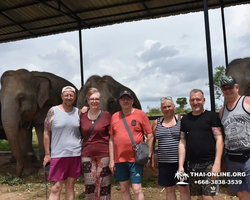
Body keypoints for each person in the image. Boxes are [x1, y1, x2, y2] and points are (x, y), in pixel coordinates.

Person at [178, 89, 224, 200]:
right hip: (192, 164)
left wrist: (217, 163)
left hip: (209, 163)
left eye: (198, 99)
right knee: (199, 196)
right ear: (189, 102)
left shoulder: (212, 117)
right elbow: (182, 142)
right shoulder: (185, 120)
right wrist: (180, 166)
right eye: (192, 100)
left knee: (207, 196)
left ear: (204, 100)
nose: (195, 102)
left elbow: (219, 139)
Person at [109, 90, 154, 200]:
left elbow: (150, 135)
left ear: (132, 101)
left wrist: (148, 155)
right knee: (123, 188)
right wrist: (111, 159)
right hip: (119, 159)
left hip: (136, 158)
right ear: (119, 102)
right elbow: (111, 139)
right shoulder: (115, 117)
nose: (125, 101)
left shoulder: (140, 114)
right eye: (123, 99)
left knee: (137, 189)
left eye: (128, 99)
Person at [43, 86, 82, 200]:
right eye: (66, 95)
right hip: (58, 155)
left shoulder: (78, 113)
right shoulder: (53, 111)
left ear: (74, 97)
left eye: (71, 96)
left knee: (70, 186)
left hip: (75, 154)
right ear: (62, 97)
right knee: (56, 187)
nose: (69, 98)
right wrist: (47, 154)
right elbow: (46, 132)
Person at [151, 97, 190, 200]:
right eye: (164, 107)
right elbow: (152, 139)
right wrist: (151, 156)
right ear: (161, 109)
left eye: (169, 106)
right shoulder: (157, 122)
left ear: (174, 107)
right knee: (169, 189)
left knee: (183, 188)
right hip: (164, 162)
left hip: (181, 161)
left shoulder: (182, 120)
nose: (167, 109)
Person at [219, 75, 250, 200]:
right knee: (240, 191)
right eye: (224, 88)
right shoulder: (222, 111)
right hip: (231, 157)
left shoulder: (247, 101)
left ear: (237, 87)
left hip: (248, 154)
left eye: (230, 87)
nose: (228, 90)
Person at [80, 88, 112, 200]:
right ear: (87, 101)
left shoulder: (106, 115)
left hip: (104, 154)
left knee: (104, 184)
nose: (94, 101)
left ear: (100, 101)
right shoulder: (81, 115)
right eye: (92, 99)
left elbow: (111, 137)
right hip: (87, 154)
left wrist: (112, 158)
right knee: (90, 184)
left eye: (97, 99)